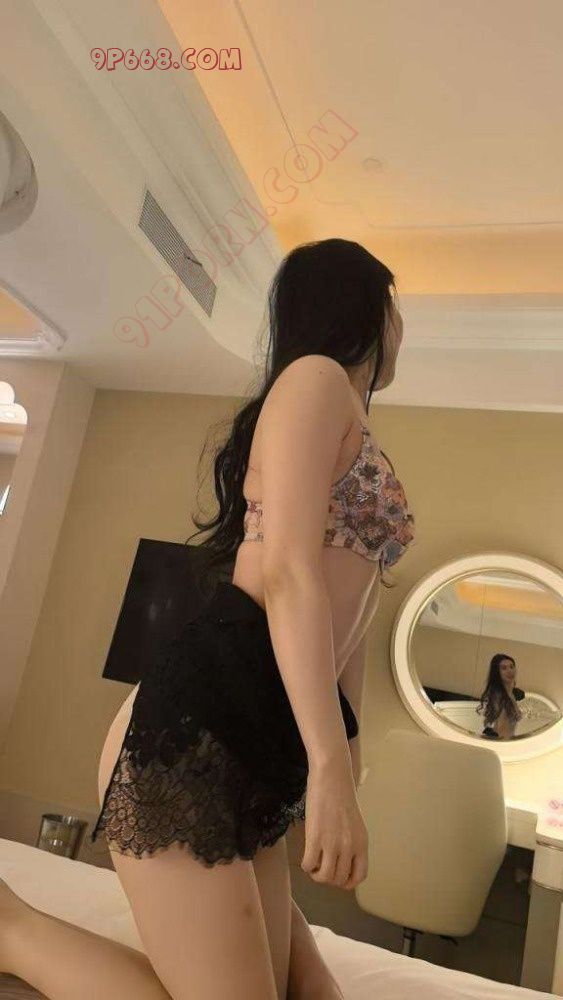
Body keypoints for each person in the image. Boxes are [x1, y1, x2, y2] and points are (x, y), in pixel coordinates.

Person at [0, 238, 415, 999]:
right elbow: (288, 573)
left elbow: (352, 611)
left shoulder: (349, 417)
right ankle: (10, 929)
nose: (401, 327)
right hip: (200, 725)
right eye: (395, 306)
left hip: (259, 737)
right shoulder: (315, 379)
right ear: (360, 306)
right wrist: (328, 765)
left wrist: (340, 757)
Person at [478, 653, 524, 740]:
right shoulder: (501, 698)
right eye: (504, 668)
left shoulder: (508, 694)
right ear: (497, 673)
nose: (510, 671)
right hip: (504, 742)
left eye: (512, 666)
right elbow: (502, 731)